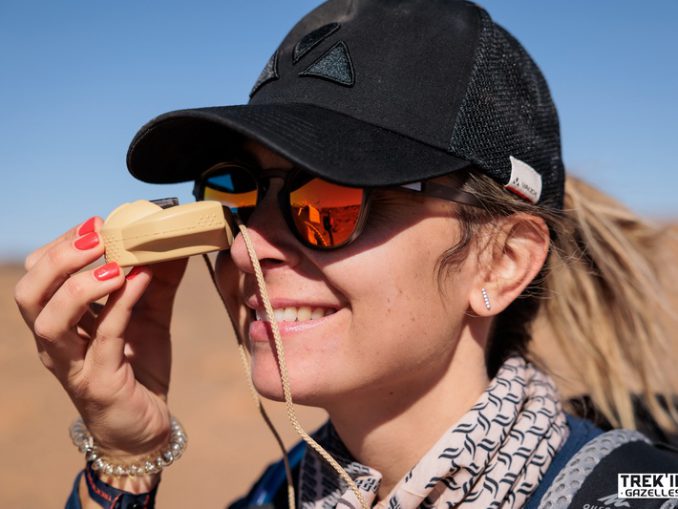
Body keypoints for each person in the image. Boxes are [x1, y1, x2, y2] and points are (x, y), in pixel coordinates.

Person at [14, 1, 678, 508]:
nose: (247, 248)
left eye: (331, 201)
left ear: (501, 262)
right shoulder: (283, 490)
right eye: (235, 194)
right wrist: (127, 458)